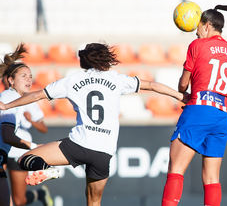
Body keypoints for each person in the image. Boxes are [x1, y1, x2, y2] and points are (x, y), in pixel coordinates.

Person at [0, 43, 186, 206]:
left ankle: (50, 170)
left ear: (84, 61)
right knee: (94, 202)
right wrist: (179, 96)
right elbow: (152, 85)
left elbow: (37, 95)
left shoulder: (73, 80)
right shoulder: (117, 79)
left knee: (25, 160)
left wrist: (7, 105)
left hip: (79, 144)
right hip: (104, 152)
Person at [161, 0, 227, 206]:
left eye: (198, 30)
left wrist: (183, 89)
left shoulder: (197, 45)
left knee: (176, 169)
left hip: (199, 109)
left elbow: (182, 85)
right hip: (222, 116)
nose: (196, 34)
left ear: (206, 25)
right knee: (212, 179)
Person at [0, 44, 43, 206]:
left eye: (30, 76)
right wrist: (36, 147)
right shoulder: (9, 99)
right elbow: (8, 136)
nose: (29, 80)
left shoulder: (12, 98)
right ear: (11, 80)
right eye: (23, 76)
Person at [1, 74, 53, 206]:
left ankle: (40, 194)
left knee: (19, 200)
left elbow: (43, 128)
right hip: (4, 148)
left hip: (19, 149)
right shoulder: (3, 97)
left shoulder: (28, 100)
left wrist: (31, 121)